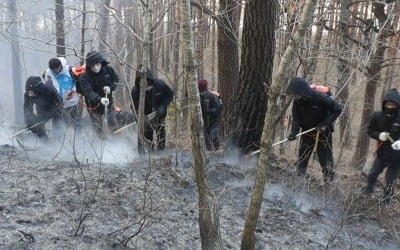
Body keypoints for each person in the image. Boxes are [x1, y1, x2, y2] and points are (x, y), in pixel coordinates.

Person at [286, 77, 342, 182]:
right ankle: (299, 179)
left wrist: (324, 124)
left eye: (295, 94)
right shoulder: (297, 102)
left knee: (325, 158)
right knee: (303, 156)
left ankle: (328, 180)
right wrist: (294, 132)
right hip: (307, 132)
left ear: (302, 92)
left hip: (323, 132)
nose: (294, 97)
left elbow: (337, 109)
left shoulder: (320, 97)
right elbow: (296, 118)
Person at [362, 88, 400, 204]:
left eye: (393, 105)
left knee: (390, 180)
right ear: (384, 104)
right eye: (388, 104)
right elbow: (369, 130)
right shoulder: (377, 116)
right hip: (382, 153)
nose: (390, 107)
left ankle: (386, 200)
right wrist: (379, 135)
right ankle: (368, 191)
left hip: (397, 157)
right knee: (373, 173)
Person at [131, 69, 174, 150]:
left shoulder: (160, 85)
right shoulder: (135, 91)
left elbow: (170, 95)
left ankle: (161, 151)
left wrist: (163, 106)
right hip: (146, 115)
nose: (144, 84)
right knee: (148, 133)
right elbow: (134, 106)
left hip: (160, 112)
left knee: (160, 131)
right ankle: (151, 152)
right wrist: (141, 116)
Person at [79, 51, 119, 137]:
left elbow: (116, 79)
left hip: (108, 102)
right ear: (89, 66)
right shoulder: (84, 76)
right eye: (92, 65)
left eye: (97, 64)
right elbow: (88, 92)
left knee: (112, 123)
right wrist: (99, 99)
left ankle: (117, 141)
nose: (95, 67)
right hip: (93, 105)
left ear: (101, 62)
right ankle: (101, 145)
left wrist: (110, 87)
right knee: (98, 127)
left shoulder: (108, 69)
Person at [23, 76, 63, 141]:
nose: (30, 94)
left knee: (58, 125)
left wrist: (49, 115)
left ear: (37, 89)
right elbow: (27, 109)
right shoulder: (28, 94)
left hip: (54, 107)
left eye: (31, 92)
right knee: (39, 125)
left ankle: (58, 141)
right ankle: (44, 143)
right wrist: (29, 123)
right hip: (41, 108)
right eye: (28, 91)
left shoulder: (50, 90)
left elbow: (60, 104)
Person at [44, 57, 80, 126]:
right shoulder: (48, 73)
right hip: (58, 103)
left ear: (60, 65)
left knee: (75, 121)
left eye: (57, 68)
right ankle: (59, 136)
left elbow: (77, 82)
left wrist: (74, 90)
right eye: (53, 69)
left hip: (72, 102)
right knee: (59, 124)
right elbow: (47, 86)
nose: (56, 71)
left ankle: (78, 135)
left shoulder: (70, 69)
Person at [198, 79, 222, 150]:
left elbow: (217, 108)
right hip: (204, 121)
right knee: (207, 138)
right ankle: (209, 152)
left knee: (213, 135)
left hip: (213, 120)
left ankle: (217, 149)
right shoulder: (197, 96)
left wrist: (210, 111)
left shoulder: (212, 96)